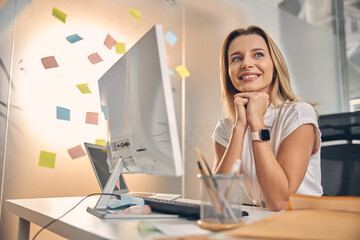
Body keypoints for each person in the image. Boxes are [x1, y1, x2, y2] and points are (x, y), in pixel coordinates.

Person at [212, 26, 323, 211]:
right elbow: (218, 197)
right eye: (236, 58)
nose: (246, 64)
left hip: (307, 223)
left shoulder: (298, 114)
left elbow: (279, 202)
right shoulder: (226, 127)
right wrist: (240, 126)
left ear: (274, 64)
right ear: (228, 71)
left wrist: (256, 123)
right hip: (265, 221)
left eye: (258, 55)